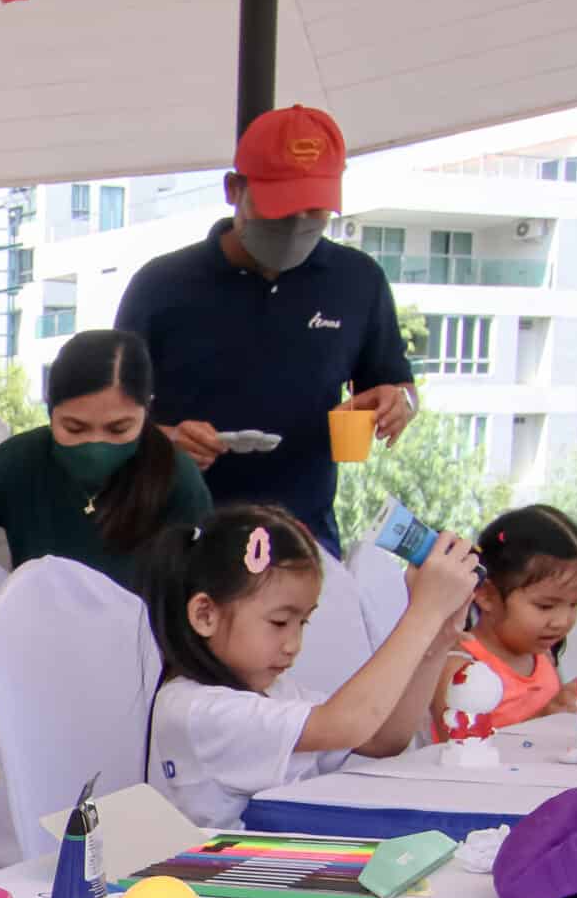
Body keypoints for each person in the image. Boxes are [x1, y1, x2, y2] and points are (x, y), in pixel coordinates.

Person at [114, 105, 416, 558]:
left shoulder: (358, 281)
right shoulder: (161, 286)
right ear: (234, 190)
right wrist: (165, 440)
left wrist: (400, 403)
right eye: (280, 210)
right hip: (178, 540)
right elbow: (106, 422)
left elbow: (396, 384)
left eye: (314, 210)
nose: (297, 225)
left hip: (302, 539)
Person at [145, 506, 479, 829]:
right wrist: (424, 612)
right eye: (279, 622)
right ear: (205, 615)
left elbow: (382, 738)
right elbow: (348, 723)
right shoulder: (195, 711)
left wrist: (439, 636)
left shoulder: (274, 692)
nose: (294, 644)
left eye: (302, 622)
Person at [0, 329, 213, 595]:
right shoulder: (22, 458)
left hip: (143, 636)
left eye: (118, 429)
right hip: (42, 629)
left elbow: (205, 591)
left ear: (147, 410)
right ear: (50, 410)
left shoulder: (177, 477)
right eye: (75, 428)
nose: (95, 447)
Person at [433, 504, 577, 734]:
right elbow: (460, 751)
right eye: (545, 606)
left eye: (574, 603)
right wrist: (546, 716)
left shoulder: (543, 656)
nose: (562, 621)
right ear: (486, 595)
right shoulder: (459, 666)